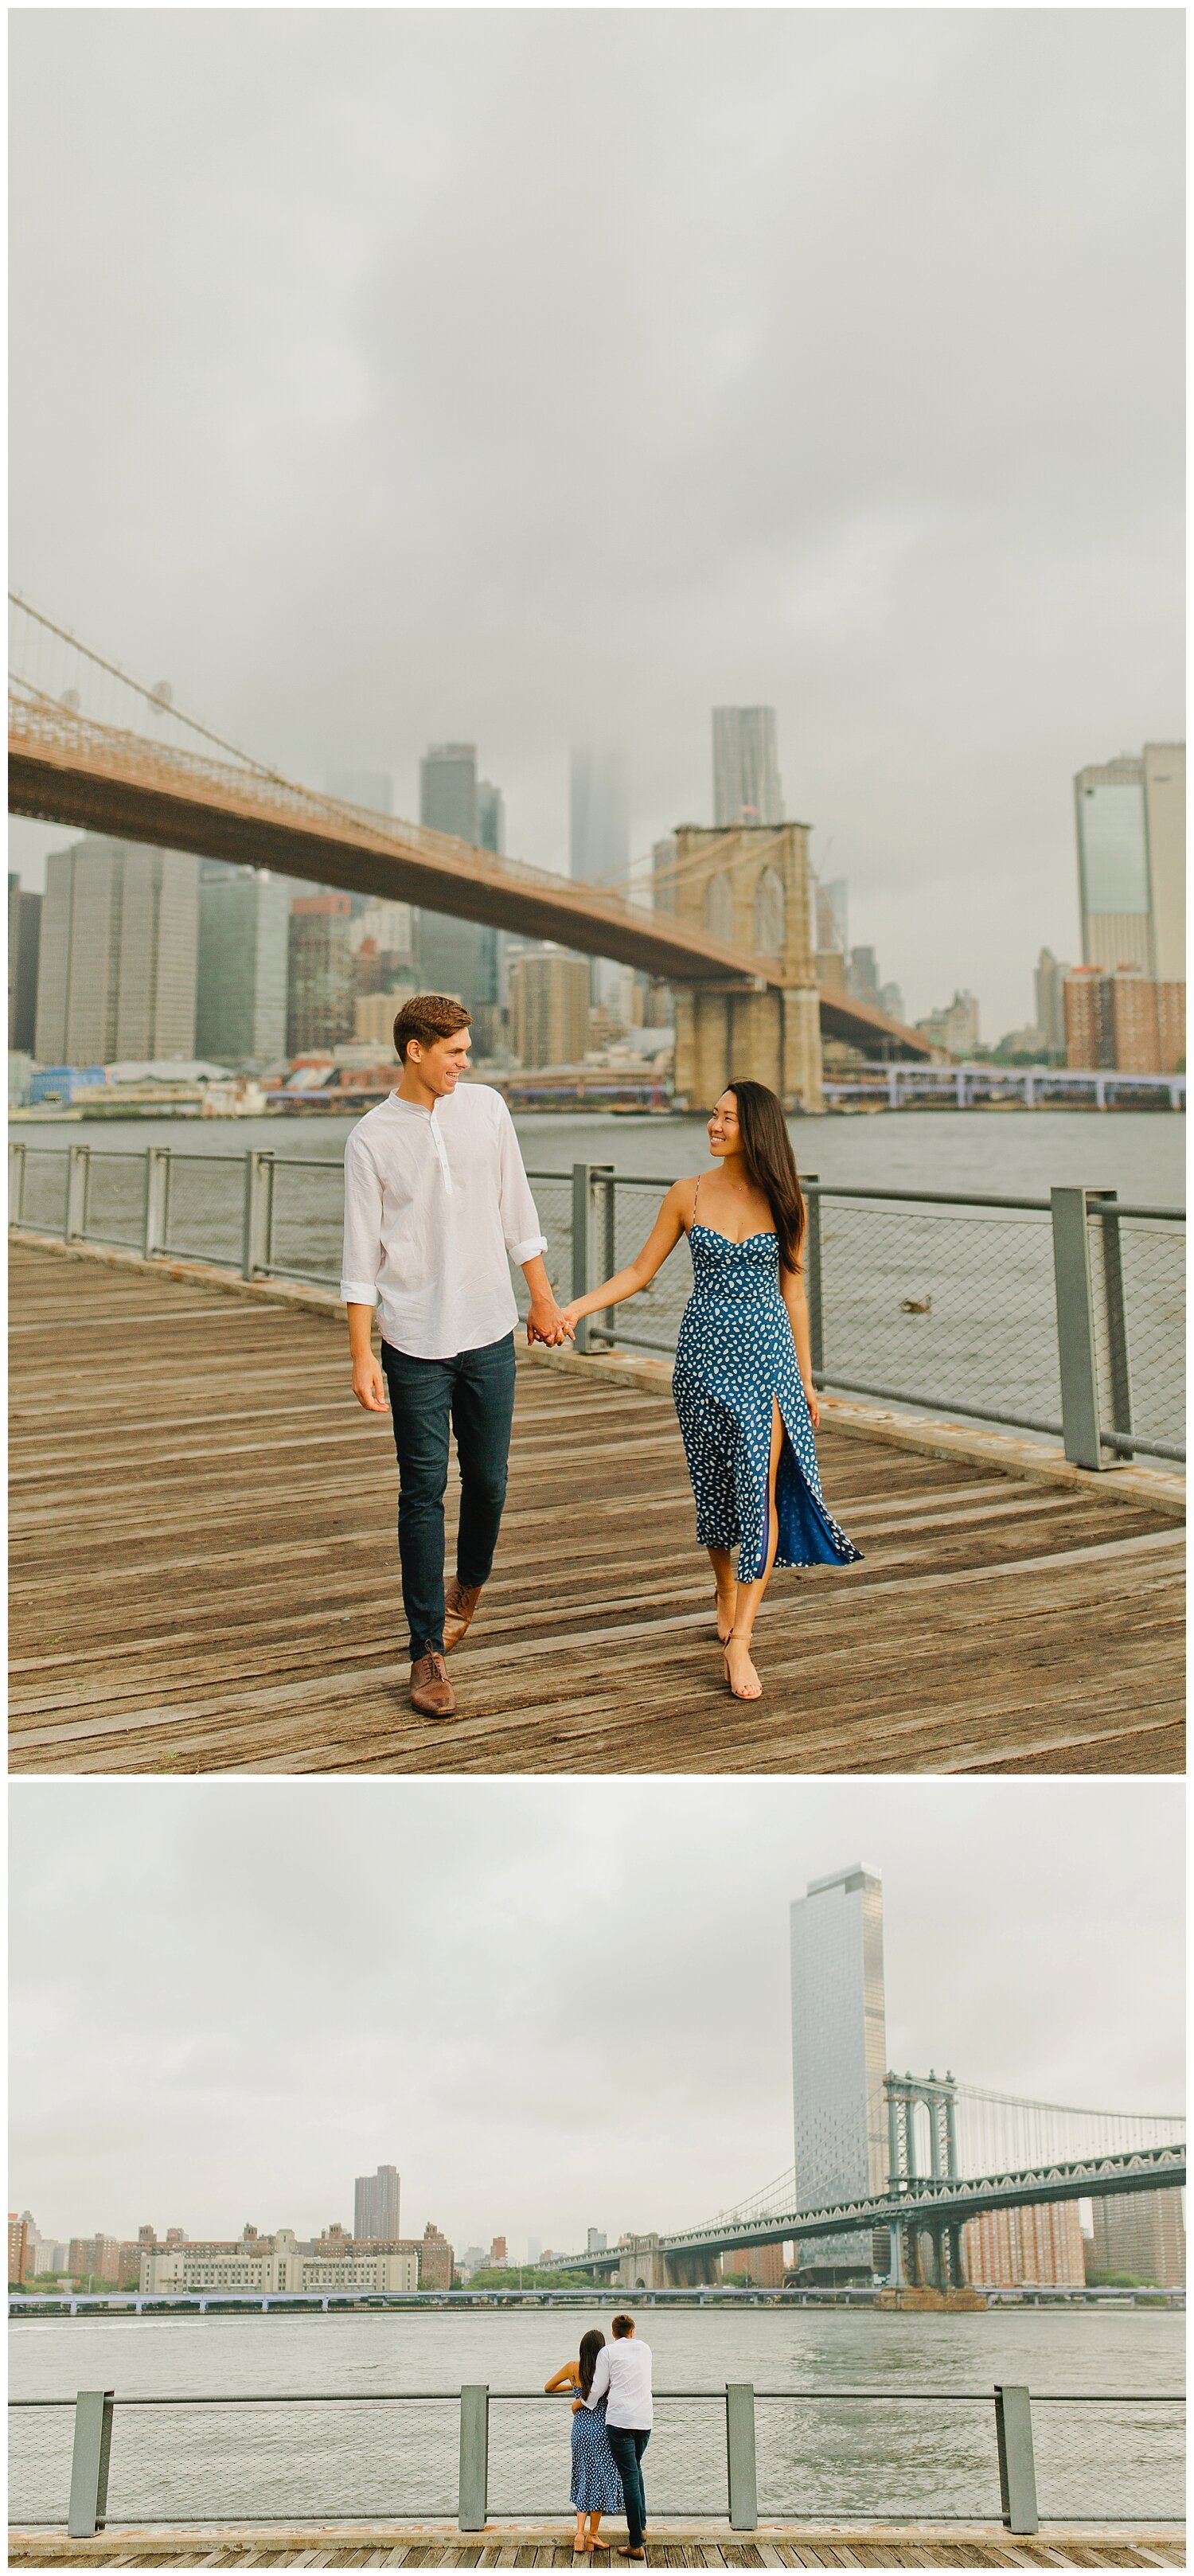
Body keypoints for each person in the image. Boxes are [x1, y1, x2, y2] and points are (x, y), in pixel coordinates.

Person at [563, 1079, 861, 1703]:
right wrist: (573, 1311)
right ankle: (724, 1589)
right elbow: (640, 1273)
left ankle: (742, 1641)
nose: (713, 1125)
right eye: (712, 1116)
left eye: (726, 1118)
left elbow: (795, 1294)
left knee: (760, 1492)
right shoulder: (686, 1194)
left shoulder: (787, 1201)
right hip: (700, 1364)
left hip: (769, 1368)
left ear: (755, 1127)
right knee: (719, 1489)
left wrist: (806, 1379)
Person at [341, 993, 573, 1719]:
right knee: (421, 1492)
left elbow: (518, 1207)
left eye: (466, 1052)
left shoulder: (488, 1110)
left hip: (489, 1327)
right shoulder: (371, 1139)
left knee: (493, 1483)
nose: (464, 1064)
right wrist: (361, 1356)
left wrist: (540, 1296)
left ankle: (468, 1584)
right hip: (412, 1339)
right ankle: (425, 1652)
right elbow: (359, 1256)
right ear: (415, 1050)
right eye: (454, 1053)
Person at [581, 2311, 652, 2562]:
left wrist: (581, 2403)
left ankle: (635, 2544)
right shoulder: (645, 2348)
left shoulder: (607, 2352)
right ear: (632, 2332)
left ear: (614, 2334)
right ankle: (641, 2528)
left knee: (629, 2477)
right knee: (636, 2469)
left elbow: (598, 2388)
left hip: (620, 2421)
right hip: (644, 2421)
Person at [545, 2328, 623, 2553]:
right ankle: (593, 2536)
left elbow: (548, 2387)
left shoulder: (572, 2367)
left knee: (583, 2479)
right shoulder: (605, 2370)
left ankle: (579, 2534)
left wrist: (573, 2387)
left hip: (579, 2431)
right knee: (598, 2482)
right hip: (601, 2432)